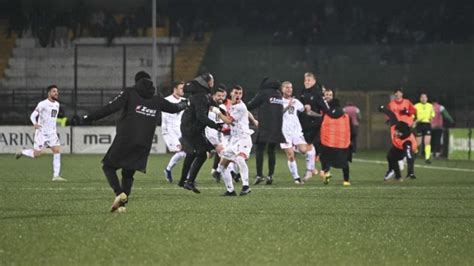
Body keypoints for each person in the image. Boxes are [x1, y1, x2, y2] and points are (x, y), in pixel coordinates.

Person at [83, 71, 188, 212]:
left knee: (108, 167)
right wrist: (186, 103)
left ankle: (119, 193)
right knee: (128, 174)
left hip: (125, 138)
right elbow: (174, 108)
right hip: (144, 143)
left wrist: (89, 117)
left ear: (136, 81)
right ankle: (122, 205)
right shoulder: (157, 99)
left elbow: (111, 108)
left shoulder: (130, 93)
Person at [178, 73, 222, 193]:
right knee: (202, 153)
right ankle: (189, 182)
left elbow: (210, 103)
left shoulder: (202, 93)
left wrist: (221, 110)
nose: (213, 82)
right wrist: (216, 126)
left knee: (192, 153)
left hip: (190, 126)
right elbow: (201, 116)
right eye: (212, 80)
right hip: (192, 128)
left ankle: (183, 181)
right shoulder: (201, 95)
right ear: (207, 82)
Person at [15, 85, 66, 182]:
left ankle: (56, 176)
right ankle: (22, 152)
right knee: (36, 154)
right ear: (49, 93)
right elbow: (33, 115)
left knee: (57, 150)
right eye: (54, 91)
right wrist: (35, 124)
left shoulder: (57, 104)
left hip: (52, 133)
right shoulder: (43, 104)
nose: (56, 93)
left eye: (57, 91)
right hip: (41, 132)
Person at [214, 85, 255, 196]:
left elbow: (228, 121)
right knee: (221, 166)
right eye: (236, 93)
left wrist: (217, 112)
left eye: (240, 93)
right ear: (231, 93)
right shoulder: (231, 104)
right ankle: (230, 190)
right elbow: (247, 112)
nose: (238, 95)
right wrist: (254, 120)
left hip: (243, 138)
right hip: (233, 140)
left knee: (240, 159)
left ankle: (246, 186)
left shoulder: (240, 107)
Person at [247, 78, 286, 185]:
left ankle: (259, 175)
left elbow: (250, 105)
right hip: (277, 127)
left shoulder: (263, 93)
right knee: (271, 151)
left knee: (260, 149)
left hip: (265, 127)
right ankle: (270, 175)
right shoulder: (278, 94)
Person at [279, 81, 315, 184]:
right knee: (290, 155)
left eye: (290, 87)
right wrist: (287, 106)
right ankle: (297, 178)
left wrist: (308, 108)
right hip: (284, 133)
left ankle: (295, 147)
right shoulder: (279, 101)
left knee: (304, 150)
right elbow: (278, 114)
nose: (289, 89)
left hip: (296, 131)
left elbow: (304, 110)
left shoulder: (296, 101)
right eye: (287, 87)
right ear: (282, 89)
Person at [318, 98, 353, 187]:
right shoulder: (346, 116)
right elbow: (351, 130)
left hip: (328, 143)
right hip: (342, 144)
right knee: (344, 163)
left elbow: (320, 127)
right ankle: (346, 181)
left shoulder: (326, 115)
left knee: (325, 159)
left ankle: (327, 174)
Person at [379, 105, 418, 181]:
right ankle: (396, 175)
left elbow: (409, 156)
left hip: (404, 149)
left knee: (395, 158)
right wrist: (383, 109)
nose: (396, 133)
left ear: (403, 134)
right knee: (389, 156)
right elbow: (392, 115)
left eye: (398, 133)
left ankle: (400, 165)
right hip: (397, 145)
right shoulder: (395, 125)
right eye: (396, 131)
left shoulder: (407, 142)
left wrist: (410, 172)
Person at [297, 72, 323, 174]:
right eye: (305, 80)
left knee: (315, 146)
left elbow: (323, 109)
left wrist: (317, 116)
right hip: (305, 123)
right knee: (307, 147)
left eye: (309, 80)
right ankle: (312, 168)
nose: (306, 82)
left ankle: (322, 169)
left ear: (314, 81)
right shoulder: (303, 92)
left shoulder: (318, 93)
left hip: (315, 124)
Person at [162, 81, 186, 183]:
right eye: (181, 88)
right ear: (175, 89)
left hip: (181, 130)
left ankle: (169, 170)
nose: (183, 90)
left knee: (188, 153)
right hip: (169, 131)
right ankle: (168, 170)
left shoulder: (185, 100)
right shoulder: (166, 100)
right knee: (182, 153)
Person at [386, 88, 416, 170]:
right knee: (397, 144)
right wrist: (388, 119)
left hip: (406, 126)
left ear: (402, 94)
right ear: (394, 95)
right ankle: (400, 160)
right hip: (396, 127)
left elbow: (413, 111)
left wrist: (407, 112)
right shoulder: (391, 104)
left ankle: (404, 158)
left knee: (409, 144)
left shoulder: (407, 102)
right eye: (396, 93)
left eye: (399, 93)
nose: (398, 95)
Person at [414, 93, 435, 164]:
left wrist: (431, 118)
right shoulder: (416, 106)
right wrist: (415, 121)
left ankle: (427, 158)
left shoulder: (430, 106)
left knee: (427, 142)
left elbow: (432, 115)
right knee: (418, 143)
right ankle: (414, 154)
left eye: (425, 97)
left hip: (427, 125)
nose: (423, 98)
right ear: (420, 99)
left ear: (427, 98)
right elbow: (412, 115)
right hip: (419, 125)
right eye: (422, 97)